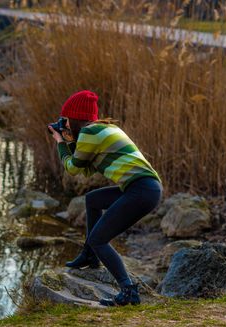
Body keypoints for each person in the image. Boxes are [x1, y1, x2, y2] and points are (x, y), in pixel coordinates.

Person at [48, 90, 163, 307]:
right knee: (93, 199)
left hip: (141, 191)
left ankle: (128, 291)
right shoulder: (103, 129)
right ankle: (89, 257)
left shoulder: (90, 133)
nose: (63, 124)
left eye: (65, 120)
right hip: (145, 187)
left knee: (99, 239)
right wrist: (70, 140)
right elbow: (88, 170)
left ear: (74, 118)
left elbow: (73, 168)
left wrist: (60, 142)